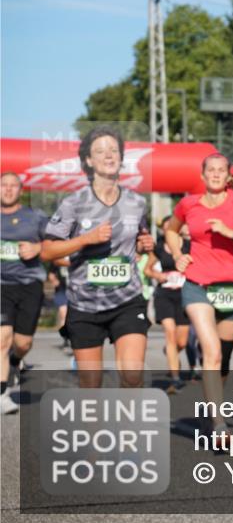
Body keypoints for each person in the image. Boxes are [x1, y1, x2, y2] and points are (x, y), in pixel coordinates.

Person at [41, 126, 156, 389]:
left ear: (121, 157)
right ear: (88, 161)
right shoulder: (74, 203)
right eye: (100, 151)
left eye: (114, 150)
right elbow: (47, 250)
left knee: (132, 375)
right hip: (85, 304)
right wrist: (85, 239)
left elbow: (140, 238)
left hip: (127, 299)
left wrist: (145, 243)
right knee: (91, 384)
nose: (108, 155)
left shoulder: (137, 202)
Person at [164, 153, 233, 442]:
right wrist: (178, 254)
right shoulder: (188, 204)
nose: (217, 174)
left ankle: (211, 411)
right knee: (212, 351)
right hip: (197, 284)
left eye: (222, 170)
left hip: (230, 288)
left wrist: (231, 234)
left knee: (223, 359)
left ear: (228, 175)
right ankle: (219, 423)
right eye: (212, 170)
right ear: (202, 175)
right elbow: (170, 230)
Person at [1, 172, 49, 413]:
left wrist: (38, 247)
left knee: (23, 342)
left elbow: (55, 243)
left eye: (13, 186)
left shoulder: (35, 217)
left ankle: (16, 361)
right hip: (1, 284)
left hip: (30, 284)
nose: (8, 190)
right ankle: (2, 394)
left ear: (21, 190)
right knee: (2, 338)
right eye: (3, 186)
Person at [144, 217, 192, 393]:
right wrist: (158, 276)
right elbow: (147, 269)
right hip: (164, 295)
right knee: (170, 333)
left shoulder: (188, 245)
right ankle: (176, 377)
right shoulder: (158, 247)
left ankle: (170, 351)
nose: (167, 230)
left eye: (170, 227)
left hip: (184, 295)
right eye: (164, 228)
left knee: (182, 341)